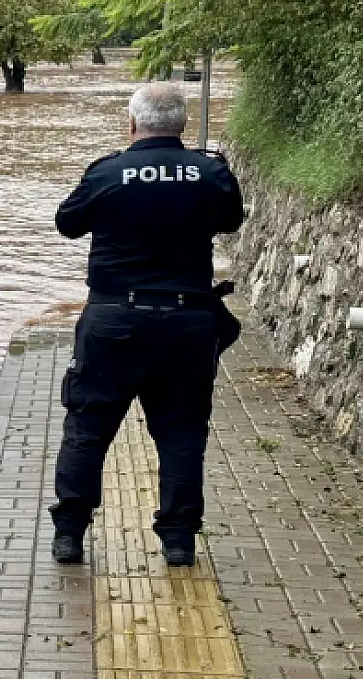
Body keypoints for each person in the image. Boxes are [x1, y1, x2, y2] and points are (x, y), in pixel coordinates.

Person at [48, 82, 246, 568]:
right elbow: (232, 220)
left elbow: (67, 223)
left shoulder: (108, 172)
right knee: (181, 433)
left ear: (132, 123)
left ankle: (70, 536)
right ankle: (178, 542)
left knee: (88, 427)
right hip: (187, 323)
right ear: (182, 123)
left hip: (113, 322)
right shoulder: (211, 171)